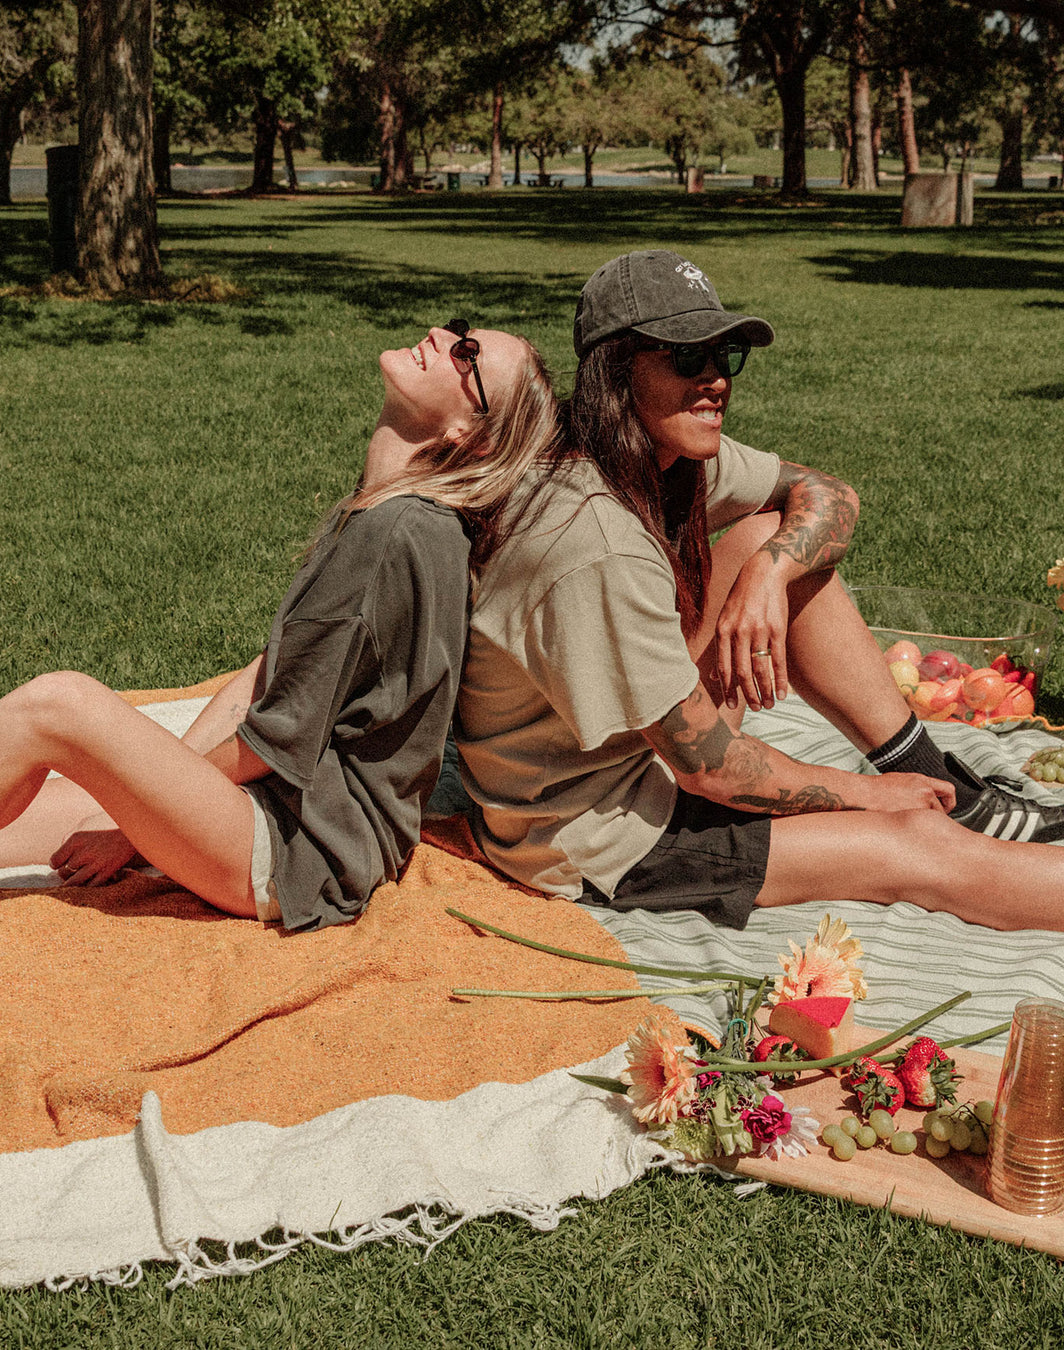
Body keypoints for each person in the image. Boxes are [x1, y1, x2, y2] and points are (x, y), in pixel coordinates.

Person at [454, 250, 1064, 933]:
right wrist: (873, 798)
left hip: (643, 756)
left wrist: (769, 574)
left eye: (726, 356)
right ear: (616, 371)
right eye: (688, 358)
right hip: (597, 835)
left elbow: (829, 495)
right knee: (915, 847)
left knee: (771, 538)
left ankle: (942, 786)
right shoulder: (593, 538)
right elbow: (713, 770)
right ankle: (938, 814)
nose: (715, 379)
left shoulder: (653, 454)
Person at [0, 322, 559, 930]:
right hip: (277, 812)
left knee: (55, 708)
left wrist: (130, 830)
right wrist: (166, 773)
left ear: (470, 436)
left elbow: (278, 742)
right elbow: (272, 669)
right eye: (462, 331)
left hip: (300, 851)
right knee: (60, 793)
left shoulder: (399, 534)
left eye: (468, 355)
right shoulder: (387, 511)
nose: (444, 335)